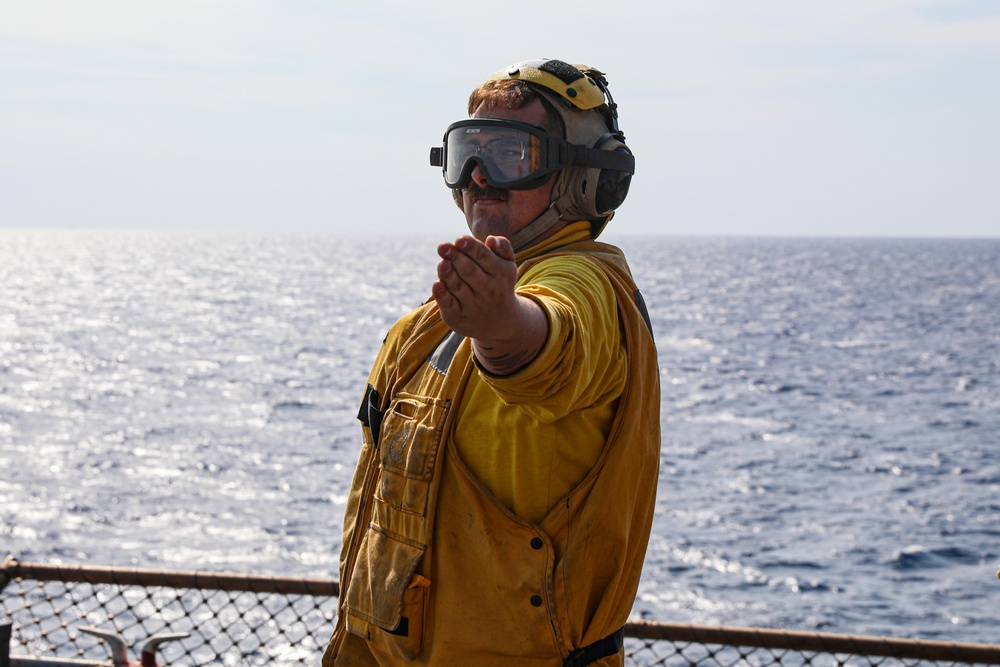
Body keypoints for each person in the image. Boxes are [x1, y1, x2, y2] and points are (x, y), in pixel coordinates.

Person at [323, 58, 660, 667]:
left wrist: (502, 330)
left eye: (512, 153)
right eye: (467, 152)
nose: (479, 177)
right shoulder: (425, 327)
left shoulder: (586, 285)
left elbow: (550, 343)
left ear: (585, 177)